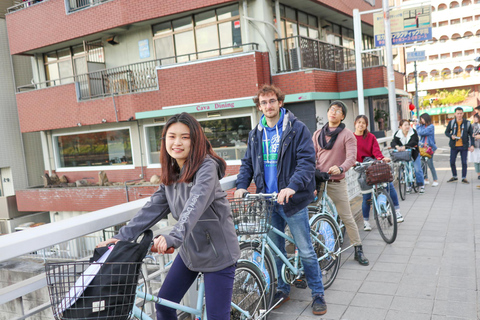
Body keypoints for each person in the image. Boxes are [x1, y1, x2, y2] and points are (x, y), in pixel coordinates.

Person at [97, 113, 240, 320]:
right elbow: (152, 208)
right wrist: (121, 237)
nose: (177, 142)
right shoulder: (173, 170)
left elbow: (195, 204)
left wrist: (172, 237)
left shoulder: (206, 167)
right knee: (164, 306)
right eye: (172, 137)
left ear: (195, 140)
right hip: (191, 252)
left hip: (218, 254)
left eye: (185, 137)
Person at [234, 85, 327, 316]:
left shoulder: (296, 128)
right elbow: (247, 163)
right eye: (263, 102)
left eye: (272, 101)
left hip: (292, 200)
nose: (268, 106)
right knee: (275, 251)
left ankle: (317, 294)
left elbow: (307, 162)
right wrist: (241, 185)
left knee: (305, 250)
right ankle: (283, 289)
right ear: (259, 106)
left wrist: (291, 187)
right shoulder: (256, 133)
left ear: (280, 102)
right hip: (267, 201)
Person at [312, 101, 369, 266]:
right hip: (318, 181)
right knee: (311, 214)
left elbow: (352, 157)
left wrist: (341, 168)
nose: (334, 112)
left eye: (338, 110)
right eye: (331, 109)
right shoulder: (317, 134)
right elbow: (311, 156)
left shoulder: (347, 134)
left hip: (336, 182)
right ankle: (314, 250)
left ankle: (358, 249)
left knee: (346, 216)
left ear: (342, 116)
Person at [353, 115, 403, 232]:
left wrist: (381, 158)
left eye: (363, 123)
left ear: (366, 125)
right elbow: (349, 152)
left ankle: (397, 211)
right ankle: (366, 221)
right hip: (361, 167)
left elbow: (376, 150)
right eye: (359, 122)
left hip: (373, 165)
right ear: (355, 123)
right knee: (366, 197)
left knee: (389, 185)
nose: (361, 125)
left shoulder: (370, 137)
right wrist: (352, 162)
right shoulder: (351, 138)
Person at [391, 119, 425, 193]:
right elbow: (393, 142)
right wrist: (396, 146)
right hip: (404, 155)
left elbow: (414, 141)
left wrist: (405, 146)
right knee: (406, 170)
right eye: (405, 125)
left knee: (417, 169)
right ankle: (408, 185)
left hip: (414, 153)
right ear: (400, 127)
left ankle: (421, 185)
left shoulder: (413, 132)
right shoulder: (398, 133)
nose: (407, 126)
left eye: (408, 125)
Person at [445, 107, 475, 184]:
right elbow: (446, 132)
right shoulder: (451, 122)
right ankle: (454, 176)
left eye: (461, 113)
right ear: (455, 114)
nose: (459, 115)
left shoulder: (467, 123)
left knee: (464, 162)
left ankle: (464, 177)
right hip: (454, 145)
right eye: (458, 113)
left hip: (464, 145)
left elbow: (472, 135)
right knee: (452, 161)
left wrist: (472, 145)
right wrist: (451, 136)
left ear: (463, 114)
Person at [416, 113, 439, 187]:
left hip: (429, 147)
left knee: (430, 164)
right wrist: (419, 126)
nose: (421, 120)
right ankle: (426, 179)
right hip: (422, 147)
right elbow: (419, 134)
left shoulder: (431, 126)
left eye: (422, 119)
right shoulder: (422, 126)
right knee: (423, 164)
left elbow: (422, 132)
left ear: (425, 118)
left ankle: (435, 180)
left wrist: (417, 126)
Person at [468, 113, 480, 180]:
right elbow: (469, 136)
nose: (475, 119)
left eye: (477, 118)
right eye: (474, 118)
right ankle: (478, 174)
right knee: (476, 160)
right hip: (474, 145)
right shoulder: (471, 126)